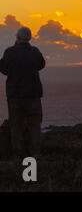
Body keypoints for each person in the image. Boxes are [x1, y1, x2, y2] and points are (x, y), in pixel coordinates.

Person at [0, 27, 45, 159]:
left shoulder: (10, 52)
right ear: (29, 38)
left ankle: (18, 155)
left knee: (16, 126)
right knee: (34, 125)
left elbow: (3, 69)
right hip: (33, 95)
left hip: (15, 95)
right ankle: (35, 152)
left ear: (17, 37)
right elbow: (41, 65)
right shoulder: (35, 51)